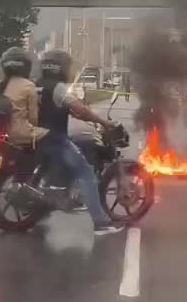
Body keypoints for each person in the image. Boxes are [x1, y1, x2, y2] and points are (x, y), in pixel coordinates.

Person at [37, 50, 125, 236]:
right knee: (87, 174)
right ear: (60, 67)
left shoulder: (38, 85)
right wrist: (104, 122)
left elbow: (62, 109)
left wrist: (81, 116)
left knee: (77, 149)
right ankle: (101, 223)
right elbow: (78, 108)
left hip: (38, 137)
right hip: (55, 139)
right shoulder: (58, 88)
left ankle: (59, 195)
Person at [0, 47, 46, 189]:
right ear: (26, 67)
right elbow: (33, 118)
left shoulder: (0, 85)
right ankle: (34, 177)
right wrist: (34, 126)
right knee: (51, 138)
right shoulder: (29, 85)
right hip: (20, 133)